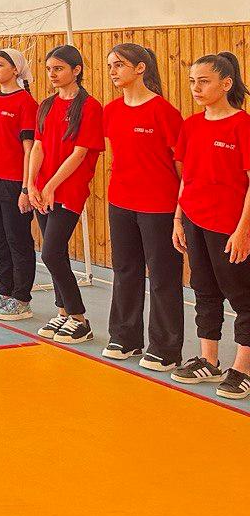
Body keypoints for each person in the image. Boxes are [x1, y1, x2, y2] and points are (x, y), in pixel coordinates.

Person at [99, 43, 184, 369]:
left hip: (159, 207)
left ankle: (166, 349)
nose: (113, 71)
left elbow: (182, 168)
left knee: (163, 277)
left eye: (119, 64)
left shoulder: (165, 112)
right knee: (125, 270)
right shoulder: (111, 111)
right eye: (110, 65)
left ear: (140, 68)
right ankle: (125, 337)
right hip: (120, 203)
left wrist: (181, 212)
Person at [170, 52, 250, 399]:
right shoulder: (191, 125)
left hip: (230, 227)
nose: (196, 88)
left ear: (226, 84)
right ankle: (209, 360)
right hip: (193, 220)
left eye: (204, 81)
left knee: (243, 296)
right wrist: (178, 219)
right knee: (203, 289)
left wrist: (243, 230)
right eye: (192, 81)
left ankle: (242, 369)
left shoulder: (243, 125)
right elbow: (186, 177)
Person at [27, 44, 104, 343]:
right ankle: (62, 313)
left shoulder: (89, 107)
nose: (52, 74)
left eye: (58, 68)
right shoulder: (46, 105)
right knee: (54, 253)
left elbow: (80, 153)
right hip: (42, 190)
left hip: (68, 189)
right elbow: (38, 146)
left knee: (51, 253)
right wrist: (31, 184)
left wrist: (51, 185)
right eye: (49, 69)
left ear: (76, 70)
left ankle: (79, 319)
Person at [0, 49, 39, 320]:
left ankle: (21, 298)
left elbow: (29, 150)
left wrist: (26, 188)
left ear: (15, 69)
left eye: (0, 65)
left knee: (18, 240)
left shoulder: (26, 103)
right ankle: (4, 291)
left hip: (14, 184)